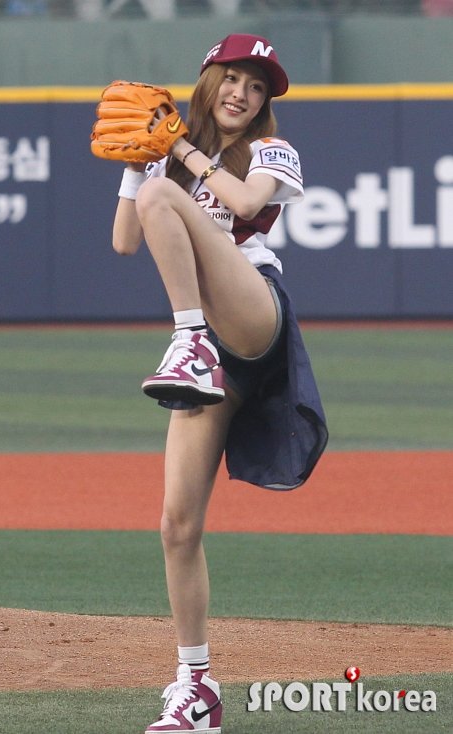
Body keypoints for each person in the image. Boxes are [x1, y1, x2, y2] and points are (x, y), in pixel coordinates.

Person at [112, 33, 328, 734]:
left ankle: (189, 340)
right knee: (177, 525)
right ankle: (196, 687)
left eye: (256, 86)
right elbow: (124, 241)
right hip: (209, 358)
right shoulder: (164, 161)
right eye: (232, 78)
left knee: (163, 194)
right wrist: (138, 163)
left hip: (253, 313)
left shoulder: (271, 150)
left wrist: (176, 152)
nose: (242, 93)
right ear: (208, 81)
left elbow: (242, 200)